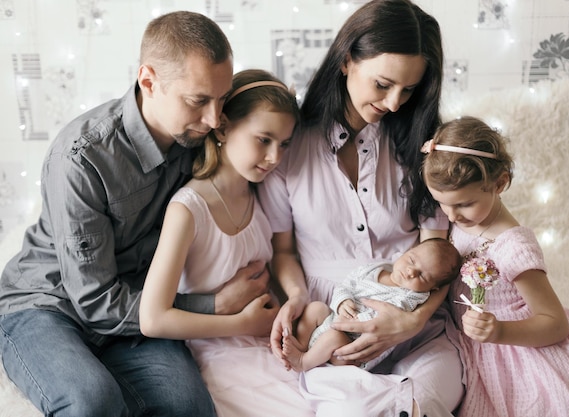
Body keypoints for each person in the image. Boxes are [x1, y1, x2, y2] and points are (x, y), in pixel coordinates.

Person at [0, 11, 268, 417]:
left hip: (137, 305)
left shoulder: (203, 135)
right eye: (198, 101)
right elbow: (93, 299)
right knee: (92, 401)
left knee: (190, 407)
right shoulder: (82, 157)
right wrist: (213, 305)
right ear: (148, 81)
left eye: (222, 98)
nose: (214, 119)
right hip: (48, 304)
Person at [258, 0, 465, 415]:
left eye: (408, 90)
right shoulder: (289, 146)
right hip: (334, 327)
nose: (393, 104)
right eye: (383, 85)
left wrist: (412, 321)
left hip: (417, 325)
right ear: (347, 60)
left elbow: (440, 254)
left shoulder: (420, 147)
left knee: (422, 401)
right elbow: (282, 251)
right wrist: (297, 299)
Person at [421, 116, 569, 417]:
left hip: (516, 350)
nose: (451, 216)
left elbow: (555, 322)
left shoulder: (513, 247)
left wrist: (500, 331)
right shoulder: (462, 222)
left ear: (499, 183)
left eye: (463, 204)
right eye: (442, 203)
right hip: (468, 343)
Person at [139, 68, 298, 364]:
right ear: (223, 128)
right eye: (264, 139)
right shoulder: (188, 209)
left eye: (284, 144)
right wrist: (244, 324)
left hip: (267, 342)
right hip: (216, 350)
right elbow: (153, 320)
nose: (275, 157)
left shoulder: (262, 194)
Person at [282, 238, 462, 373]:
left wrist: (355, 320)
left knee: (334, 336)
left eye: (422, 276)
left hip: (351, 348)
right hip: (333, 321)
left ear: (434, 288)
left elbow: (384, 321)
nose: (410, 272)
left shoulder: (409, 298)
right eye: (412, 260)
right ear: (408, 251)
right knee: (316, 308)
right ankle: (302, 344)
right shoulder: (373, 269)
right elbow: (346, 285)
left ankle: (303, 362)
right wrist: (342, 302)